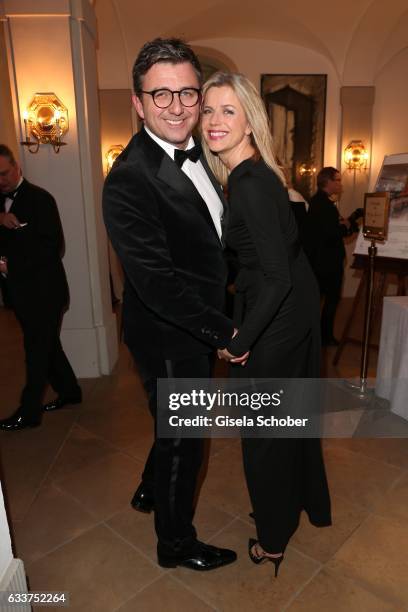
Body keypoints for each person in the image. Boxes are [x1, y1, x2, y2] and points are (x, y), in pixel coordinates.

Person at [102, 39, 241, 571]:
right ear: (138, 103)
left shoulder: (199, 151)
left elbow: (205, 238)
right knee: (186, 439)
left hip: (194, 324)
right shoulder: (129, 180)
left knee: (172, 425)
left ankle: (146, 489)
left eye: (188, 92)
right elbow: (157, 284)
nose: (178, 106)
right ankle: (175, 545)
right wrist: (224, 332)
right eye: (161, 94)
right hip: (168, 333)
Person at [201, 72, 331, 575]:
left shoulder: (251, 183)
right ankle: (290, 506)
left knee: (262, 432)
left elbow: (273, 277)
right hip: (292, 303)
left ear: (250, 121)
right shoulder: (252, 173)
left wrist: (240, 340)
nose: (215, 121)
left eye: (228, 111)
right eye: (209, 110)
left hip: (279, 309)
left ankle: (272, 539)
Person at [0, 145, 81, 431]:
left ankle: (29, 411)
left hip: (45, 293)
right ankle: (71, 391)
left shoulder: (41, 200)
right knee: (48, 346)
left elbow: (52, 247)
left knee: (35, 351)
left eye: (5, 173)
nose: (2, 180)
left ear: (17, 166)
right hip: (19, 294)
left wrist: (12, 266)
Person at [306, 167, 361, 346]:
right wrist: (349, 224)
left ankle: (318, 336)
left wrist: (346, 224)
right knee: (331, 299)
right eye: (337, 180)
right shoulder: (325, 205)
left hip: (319, 261)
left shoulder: (317, 202)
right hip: (327, 263)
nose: (340, 183)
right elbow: (333, 233)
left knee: (321, 300)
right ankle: (325, 337)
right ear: (327, 182)